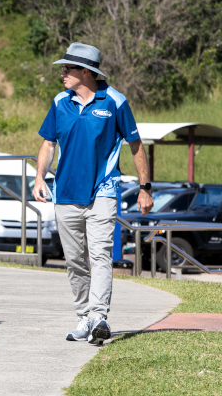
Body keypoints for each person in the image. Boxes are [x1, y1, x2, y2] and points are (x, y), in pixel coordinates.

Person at [32, 42, 154, 345]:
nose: (62, 73)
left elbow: (135, 145)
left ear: (86, 72)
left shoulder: (114, 101)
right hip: (66, 194)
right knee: (74, 261)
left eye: (68, 68)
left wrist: (144, 187)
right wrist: (38, 177)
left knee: (99, 254)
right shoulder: (60, 102)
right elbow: (48, 143)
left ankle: (99, 316)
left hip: (103, 190)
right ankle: (84, 318)